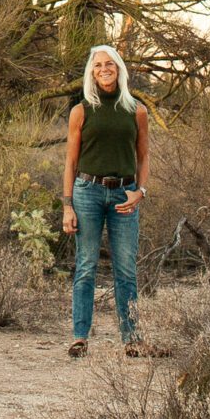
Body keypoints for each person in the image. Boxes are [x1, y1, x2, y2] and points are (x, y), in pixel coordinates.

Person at [60, 43, 151, 357]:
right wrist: (67, 205)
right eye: (98, 65)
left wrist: (140, 191)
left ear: (119, 69)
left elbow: (144, 156)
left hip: (125, 194)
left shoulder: (136, 110)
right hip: (88, 192)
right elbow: (70, 162)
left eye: (109, 64)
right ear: (91, 71)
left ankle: (131, 338)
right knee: (86, 266)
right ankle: (80, 337)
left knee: (125, 269)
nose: (104, 69)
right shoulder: (81, 110)